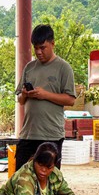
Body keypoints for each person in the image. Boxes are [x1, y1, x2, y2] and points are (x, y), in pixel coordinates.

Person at [15, 24, 76, 168]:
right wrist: (24, 94)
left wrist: (45, 95)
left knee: (49, 180)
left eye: (42, 48)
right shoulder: (29, 67)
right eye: (36, 48)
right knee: (19, 178)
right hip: (28, 134)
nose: (39, 52)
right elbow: (20, 101)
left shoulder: (64, 68)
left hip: (51, 135)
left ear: (53, 43)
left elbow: (71, 100)